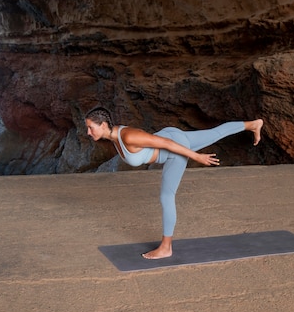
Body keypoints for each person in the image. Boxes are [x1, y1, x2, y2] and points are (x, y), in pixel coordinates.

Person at [85, 107, 263, 260]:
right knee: (214, 133)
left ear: (103, 125)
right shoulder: (115, 136)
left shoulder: (129, 136)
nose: (88, 132)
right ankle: (253, 124)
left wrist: (196, 156)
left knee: (166, 196)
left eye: (91, 128)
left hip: (173, 148)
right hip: (172, 136)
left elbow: (166, 143)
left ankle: (166, 247)